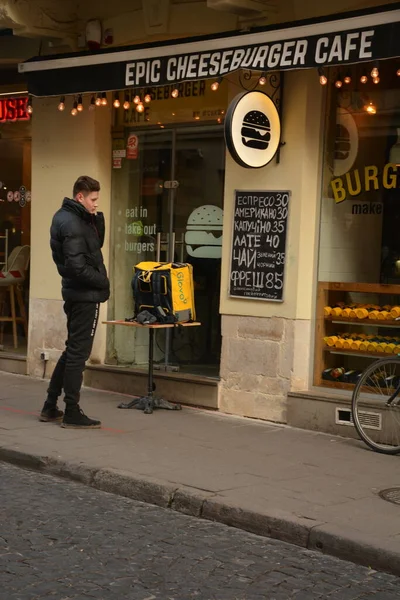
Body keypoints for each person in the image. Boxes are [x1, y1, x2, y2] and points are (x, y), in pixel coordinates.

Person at [39, 176, 110, 428]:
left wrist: (95, 218)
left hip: (77, 294)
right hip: (84, 295)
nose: (95, 204)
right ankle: (71, 411)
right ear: (80, 197)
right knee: (78, 354)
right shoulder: (71, 222)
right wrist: (102, 282)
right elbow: (77, 266)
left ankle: (50, 405)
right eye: (93, 200)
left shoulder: (73, 218)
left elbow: (94, 245)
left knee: (72, 351)